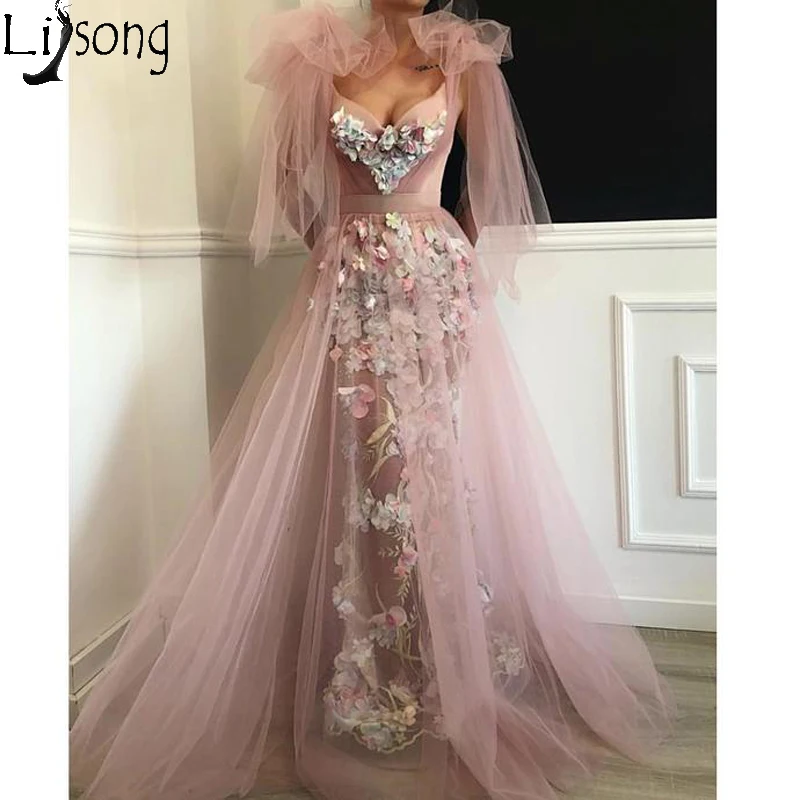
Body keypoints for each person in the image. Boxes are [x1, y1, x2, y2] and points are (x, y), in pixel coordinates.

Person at [69, 2, 675, 799]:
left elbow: (490, 190)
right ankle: (376, 662)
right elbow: (288, 186)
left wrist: (445, 253)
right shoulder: (315, 59)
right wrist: (341, 245)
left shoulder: (464, 63)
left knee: (435, 467)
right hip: (350, 289)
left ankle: (442, 655)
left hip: (436, 294)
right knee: (369, 474)